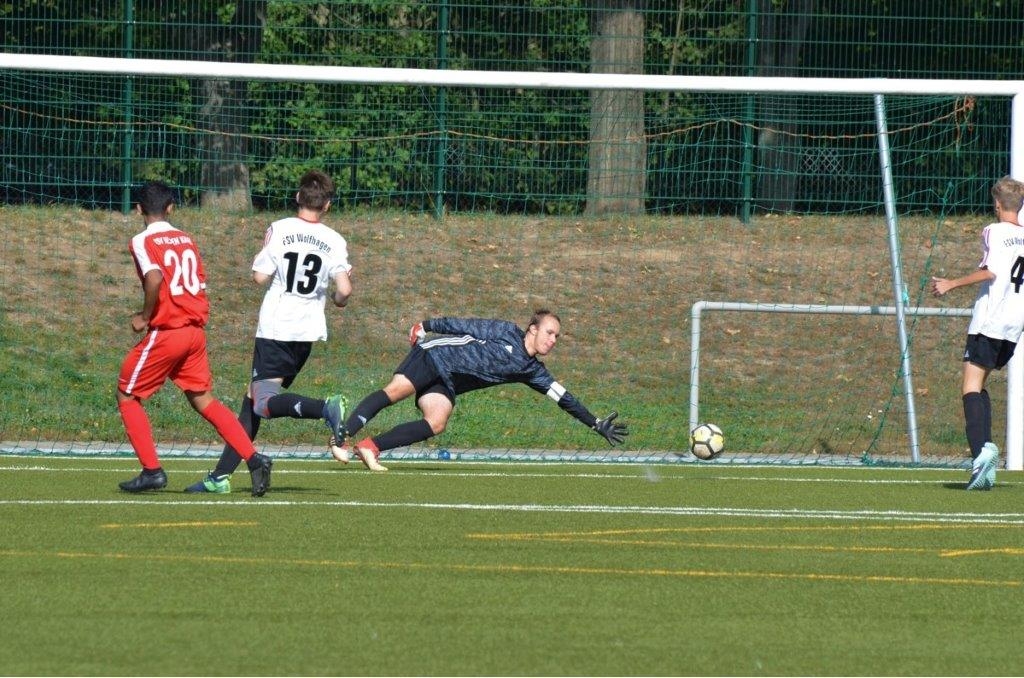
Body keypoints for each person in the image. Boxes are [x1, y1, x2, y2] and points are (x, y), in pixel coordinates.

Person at [185, 169, 352, 493]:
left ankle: (325, 407)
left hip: (277, 327)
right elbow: (344, 290)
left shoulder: (280, 228)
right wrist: (335, 298)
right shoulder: (334, 240)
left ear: (297, 197)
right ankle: (220, 476)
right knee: (253, 399)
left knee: (262, 402)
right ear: (327, 205)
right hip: (307, 333)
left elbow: (259, 277)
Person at [116, 181, 273, 496]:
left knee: (127, 395)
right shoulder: (186, 239)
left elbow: (154, 278)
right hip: (194, 332)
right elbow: (197, 282)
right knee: (203, 400)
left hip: (169, 331)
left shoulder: (142, 240)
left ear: (138, 208)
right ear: (171, 208)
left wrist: (145, 316)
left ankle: (152, 471)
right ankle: (255, 459)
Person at [331, 310, 628, 469]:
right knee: (396, 391)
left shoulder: (532, 371)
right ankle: (340, 438)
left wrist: (595, 422)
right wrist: (427, 324)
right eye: (549, 332)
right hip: (435, 355)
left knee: (436, 422)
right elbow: (467, 326)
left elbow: (563, 398)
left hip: (447, 381)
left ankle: (370, 447)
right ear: (533, 329)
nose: (553, 340)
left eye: (557, 337)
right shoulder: (506, 332)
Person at [931, 175, 1024, 490]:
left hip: (990, 320)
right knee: (980, 384)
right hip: (1013, 327)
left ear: (997, 204)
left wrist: (950, 284)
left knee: (969, 386)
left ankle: (982, 454)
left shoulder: (993, 231)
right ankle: (985, 461)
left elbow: (990, 271)